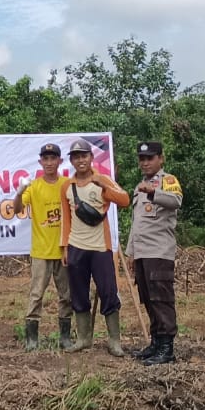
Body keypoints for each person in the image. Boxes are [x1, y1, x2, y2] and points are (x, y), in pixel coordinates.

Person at [59, 138, 131, 356]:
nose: (81, 160)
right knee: (79, 293)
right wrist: (64, 247)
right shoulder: (67, 186)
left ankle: (114, 341)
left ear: (91, 158)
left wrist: (105, 186)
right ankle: (83, 338)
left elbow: (125, 199)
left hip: (101, 246)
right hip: (76, 246)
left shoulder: (103, 179)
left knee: (108, 291)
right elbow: (66, 219)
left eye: (84, 156)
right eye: (76, 157)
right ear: (71, 160)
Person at [8, 142, 73, 350]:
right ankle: (31, 339)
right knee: (36, 294)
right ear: (40, 162)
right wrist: (19, 192)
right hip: (40, 251)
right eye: (45, 159)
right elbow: (17, 209)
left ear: (59, 161)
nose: (49, 162)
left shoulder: (66, 184)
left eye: (53, 158)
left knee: (66, 295)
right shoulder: (34, 186)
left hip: (63, 250)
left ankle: (64, 337)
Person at [125, 140, 183, 365]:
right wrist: (130, 253)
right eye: (142, 159)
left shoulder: (167, 181)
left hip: (159, 251)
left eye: (150, 158)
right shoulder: (139, 186)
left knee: (162, 299)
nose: (145, 162)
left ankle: (167, 348)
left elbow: (176, 201)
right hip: (141, 252)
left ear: (161, 158)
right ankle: (156, 343)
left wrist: (153, 192)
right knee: (148, 299)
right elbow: (136, 223)